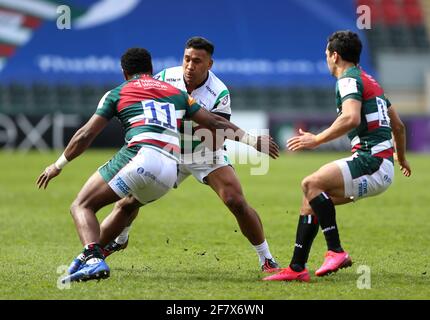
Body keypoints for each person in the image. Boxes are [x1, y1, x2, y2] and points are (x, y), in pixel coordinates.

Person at [36, 47, 279, 283]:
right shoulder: (165, 79)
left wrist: (250, 140)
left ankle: (266, 258)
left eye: (197, 61)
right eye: (187, 59)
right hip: (167, 150)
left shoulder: (219, 92)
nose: (190, 66)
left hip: (202, 151)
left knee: (234, 200)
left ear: (209, 64)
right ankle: (104, 249)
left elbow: (215, 129)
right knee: (127, 204)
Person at [264, 30, 412, 282]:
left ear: (335, 55)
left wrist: (316, 139)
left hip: (371, 161)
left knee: (311, 183)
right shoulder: (370, 81)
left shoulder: (348, 80)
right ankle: (297, 268)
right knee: (311, 200)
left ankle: (335, 251)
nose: (326, 60)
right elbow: (398, 126)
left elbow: (350, 118)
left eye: (326, 55)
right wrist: (401, 157)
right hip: (381, 165)